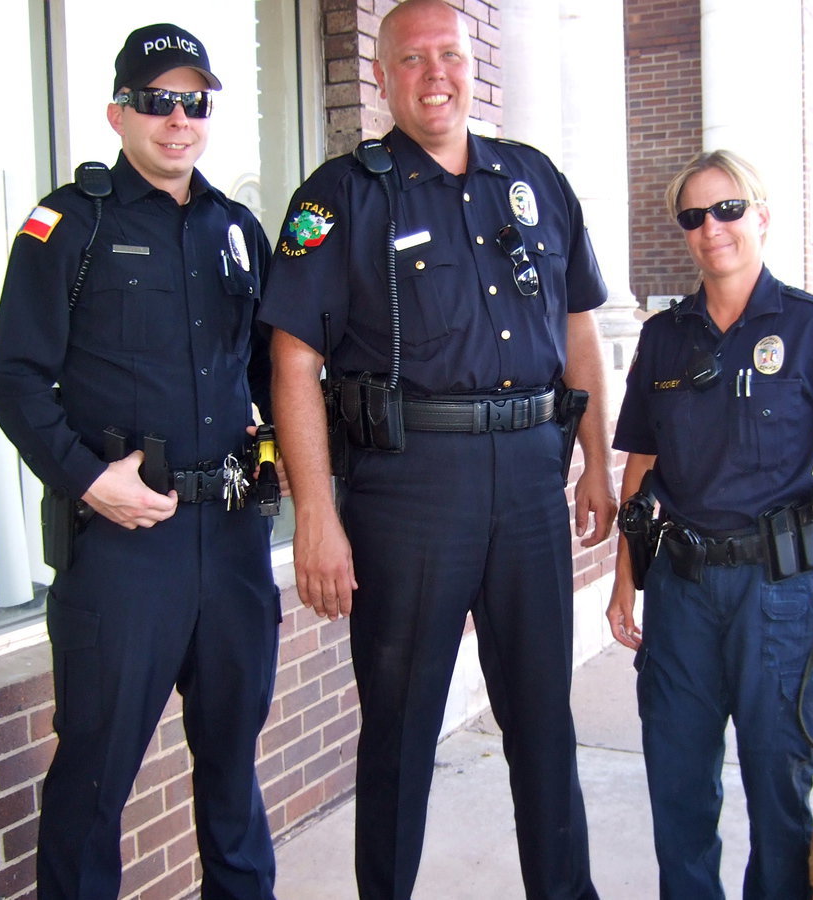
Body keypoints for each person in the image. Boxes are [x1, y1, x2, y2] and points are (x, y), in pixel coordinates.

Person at [260, 1, 616, 897]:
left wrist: (596, 461)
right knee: (401, 731)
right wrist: (314, 516)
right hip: (409, 488)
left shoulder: (534, 180)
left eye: (449, 55)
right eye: (412, 59)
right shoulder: (341, 195)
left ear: (472, 65)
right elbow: (293, 361)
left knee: (544, 722)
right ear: (381, 77)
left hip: (531, 479)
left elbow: (579, 327)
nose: (435, 76)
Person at [0, 24, 280, 899]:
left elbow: (267, 376)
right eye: (158, 101)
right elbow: (14, 378)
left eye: (194, 102)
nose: (178, 119)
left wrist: (285, 462)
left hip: (231, 542)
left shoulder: (237, 230)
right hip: (123, 550)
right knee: (92, 783)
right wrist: (86, 479)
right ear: (119, 113)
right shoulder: (69, 224)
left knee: (232, 773)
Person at [606, 149, 813, 900]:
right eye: (693, 216)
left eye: (727, 209)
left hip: (778, 594)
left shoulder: (812, 325)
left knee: (780, 794)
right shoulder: (665, 337)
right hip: (681, 592)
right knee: (678, 790)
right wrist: (626, 578)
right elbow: (640, 466)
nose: (712, 228)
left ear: (761, 216)